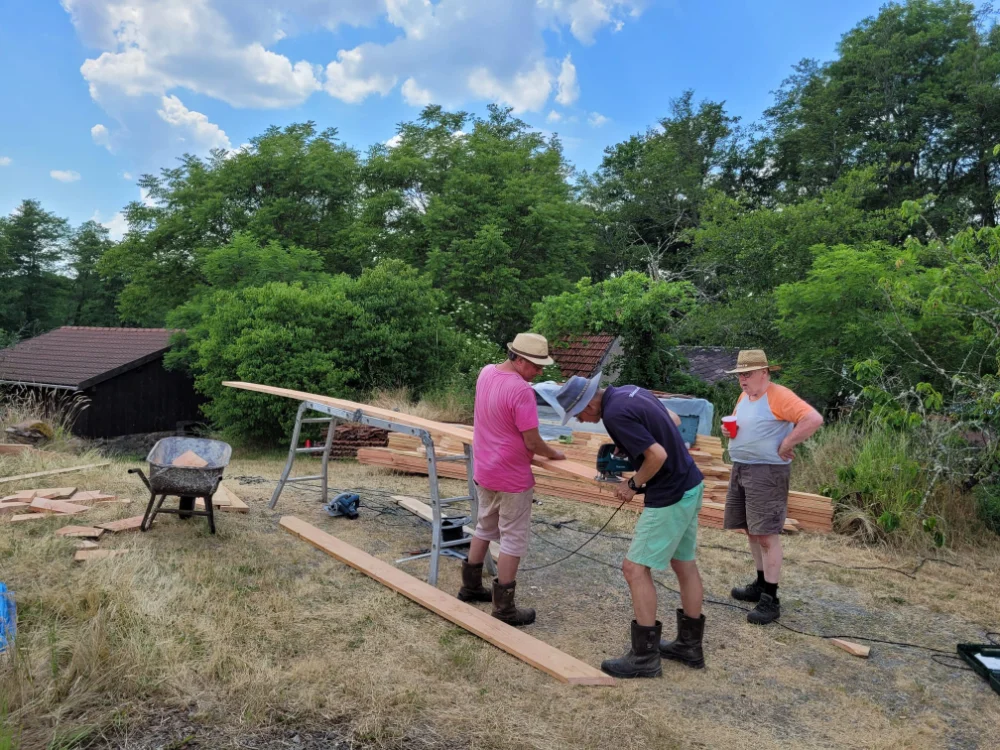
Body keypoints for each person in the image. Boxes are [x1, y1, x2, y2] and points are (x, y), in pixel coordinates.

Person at [557, 374, 706, 679]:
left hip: (670, 493)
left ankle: (645, 658)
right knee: (684, 564)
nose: (582, 421)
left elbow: (658, 455)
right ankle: (689, 647)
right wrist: (631, 444)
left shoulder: (614, 413)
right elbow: (672, 420)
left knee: (634, 569)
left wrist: (634, 483)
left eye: (579, 415)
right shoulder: (629, 391)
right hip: (690, 483)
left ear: (588, 404)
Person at [457, 332, 565, 626]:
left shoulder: (486, 373)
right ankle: (504, 609)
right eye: (536, 366)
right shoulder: (521, 390)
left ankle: (470, 587)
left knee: (484, 526)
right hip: (512, 475)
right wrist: (553, 453)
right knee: (512, 539)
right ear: (519, 359)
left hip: (485, 469)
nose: (539, 372)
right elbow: (532, 441)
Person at [723, 350, 823, 624]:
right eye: (740, 375)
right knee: (750, 529)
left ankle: (771, 598)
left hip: (766, 472)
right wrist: (728, 432)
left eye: (747, 374)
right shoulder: (744, 397)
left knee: (766, 535)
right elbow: (742, 425)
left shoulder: (778, 395)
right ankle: (759, 583)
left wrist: (787, 443)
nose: (742, 380)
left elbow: (813, 419)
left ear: (764, 373)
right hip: (742, 468)